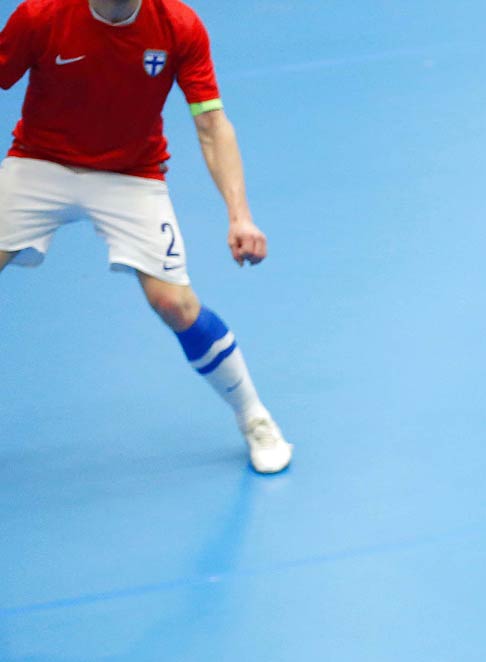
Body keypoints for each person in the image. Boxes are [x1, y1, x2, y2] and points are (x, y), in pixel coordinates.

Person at [0, 0, 291, 474]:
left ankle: (254, 416)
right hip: (39, 163)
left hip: (131, 174)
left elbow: (212, 124)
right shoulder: (41, 15)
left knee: (176, 304)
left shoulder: (178, 25)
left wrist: (240, 216)